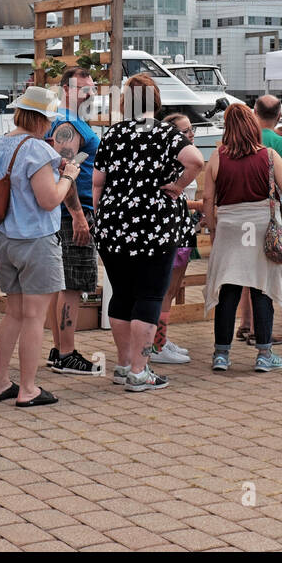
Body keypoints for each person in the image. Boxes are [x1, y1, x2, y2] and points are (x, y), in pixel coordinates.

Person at [94, 74, 204, 392]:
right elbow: (195, 160)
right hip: (154, 225)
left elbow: (98, 182)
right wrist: (178, 186)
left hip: (113, 225)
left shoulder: (113, 134)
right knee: (150, 295)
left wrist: (103, 216)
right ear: (155, 101)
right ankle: (140, 372)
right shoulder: (164, 132)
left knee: (122, 295)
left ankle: (124, 364)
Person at [0, 86, 81, 407]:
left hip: (3, 239)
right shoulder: (38, 151)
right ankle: (28, 388)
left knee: (14, 313)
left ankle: (0, 382)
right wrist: (68, 176)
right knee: (34, 318)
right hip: (35, 241)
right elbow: (49, 199)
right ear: (42, 119)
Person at [202, 104, 282, 372]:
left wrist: (212, 228)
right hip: (260, 227)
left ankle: (221, 354)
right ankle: (264, 355)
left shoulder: (218, 157)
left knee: (228, 290)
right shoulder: (269, 155)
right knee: (262, 289)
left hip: (230, 228)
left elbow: (208, 199)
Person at [46, 67, 103, 375]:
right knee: (73, 284)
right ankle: (66, 352)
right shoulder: (66, 124)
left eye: (92, 88)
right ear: (66, 90)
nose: (90, 93)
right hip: (74, 212)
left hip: (72, 210)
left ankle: (59, 350)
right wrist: (78, 216)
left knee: (63, 283)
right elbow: (63, 171)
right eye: (83, 89)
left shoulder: (72, 121)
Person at [152, 113, 200, 363]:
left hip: (182, 227)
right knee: (165, 290)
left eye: (191, 130)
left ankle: (161, 340)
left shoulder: (181, 162)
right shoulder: (170, 163)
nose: (190, 135)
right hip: (172, 230)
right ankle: (157, 345)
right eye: (184, 131)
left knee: (171, 290)